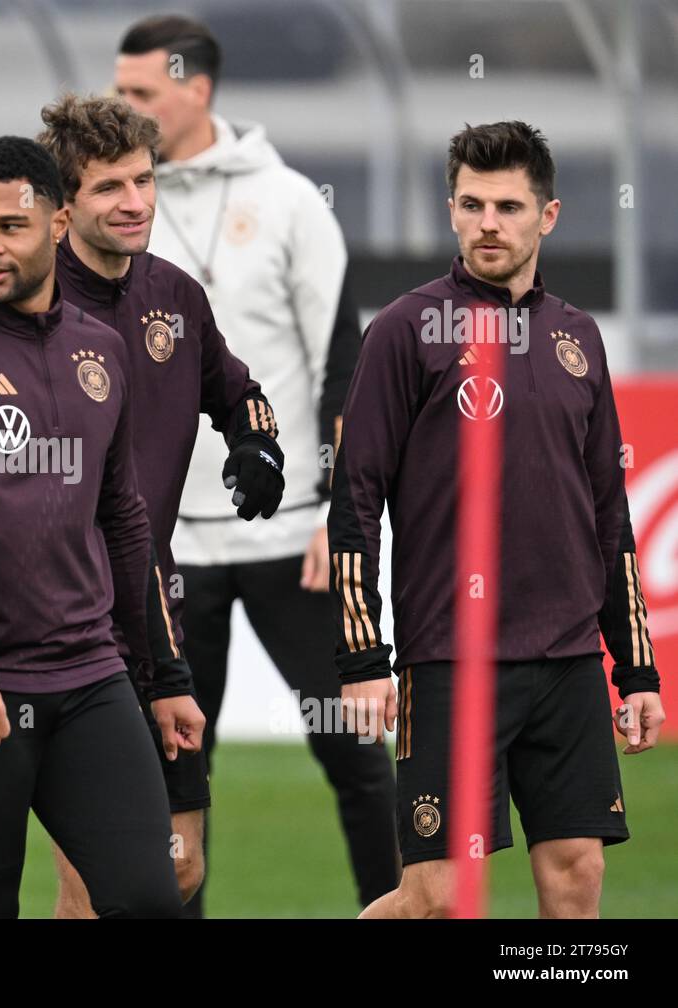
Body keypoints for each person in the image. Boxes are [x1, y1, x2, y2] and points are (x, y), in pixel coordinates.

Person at [332, 120, 666, 918]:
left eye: (510, 206)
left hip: (567, 659)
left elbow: (608, 514)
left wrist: (639, 668)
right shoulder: (404, 333)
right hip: (451, 659)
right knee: (438, 897)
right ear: (451, 210)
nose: (490, 222)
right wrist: (359, 656)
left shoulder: (579, 339)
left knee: (577, 876)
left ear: (546, 217)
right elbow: (355, 497)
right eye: (473, 204)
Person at [0, 136, 208, 919]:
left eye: (9, 227)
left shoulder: (102, 350)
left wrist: (166, 678)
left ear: (57, 224)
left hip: (89, 676)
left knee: (149, 898)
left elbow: (125, 523)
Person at [113, 13, 399, 913]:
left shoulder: (285, 202)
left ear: (196, 90)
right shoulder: (111, 203)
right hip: (162, 550)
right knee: (175, 775)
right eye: (118, 91)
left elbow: (341, 363)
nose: (123, 107)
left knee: (358, 760)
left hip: (290, 535)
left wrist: (334, 515)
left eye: (140, 94)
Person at [37, 93, 284, 917]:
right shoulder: (28, 309)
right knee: (99, 875)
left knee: (175, 868)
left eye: (143, 180)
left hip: (156, 612)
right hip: (60, 621)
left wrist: (259, 445)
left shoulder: (175, 295)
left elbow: (240, 391)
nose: (135, 201)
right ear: (64, 204)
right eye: (110, 187)